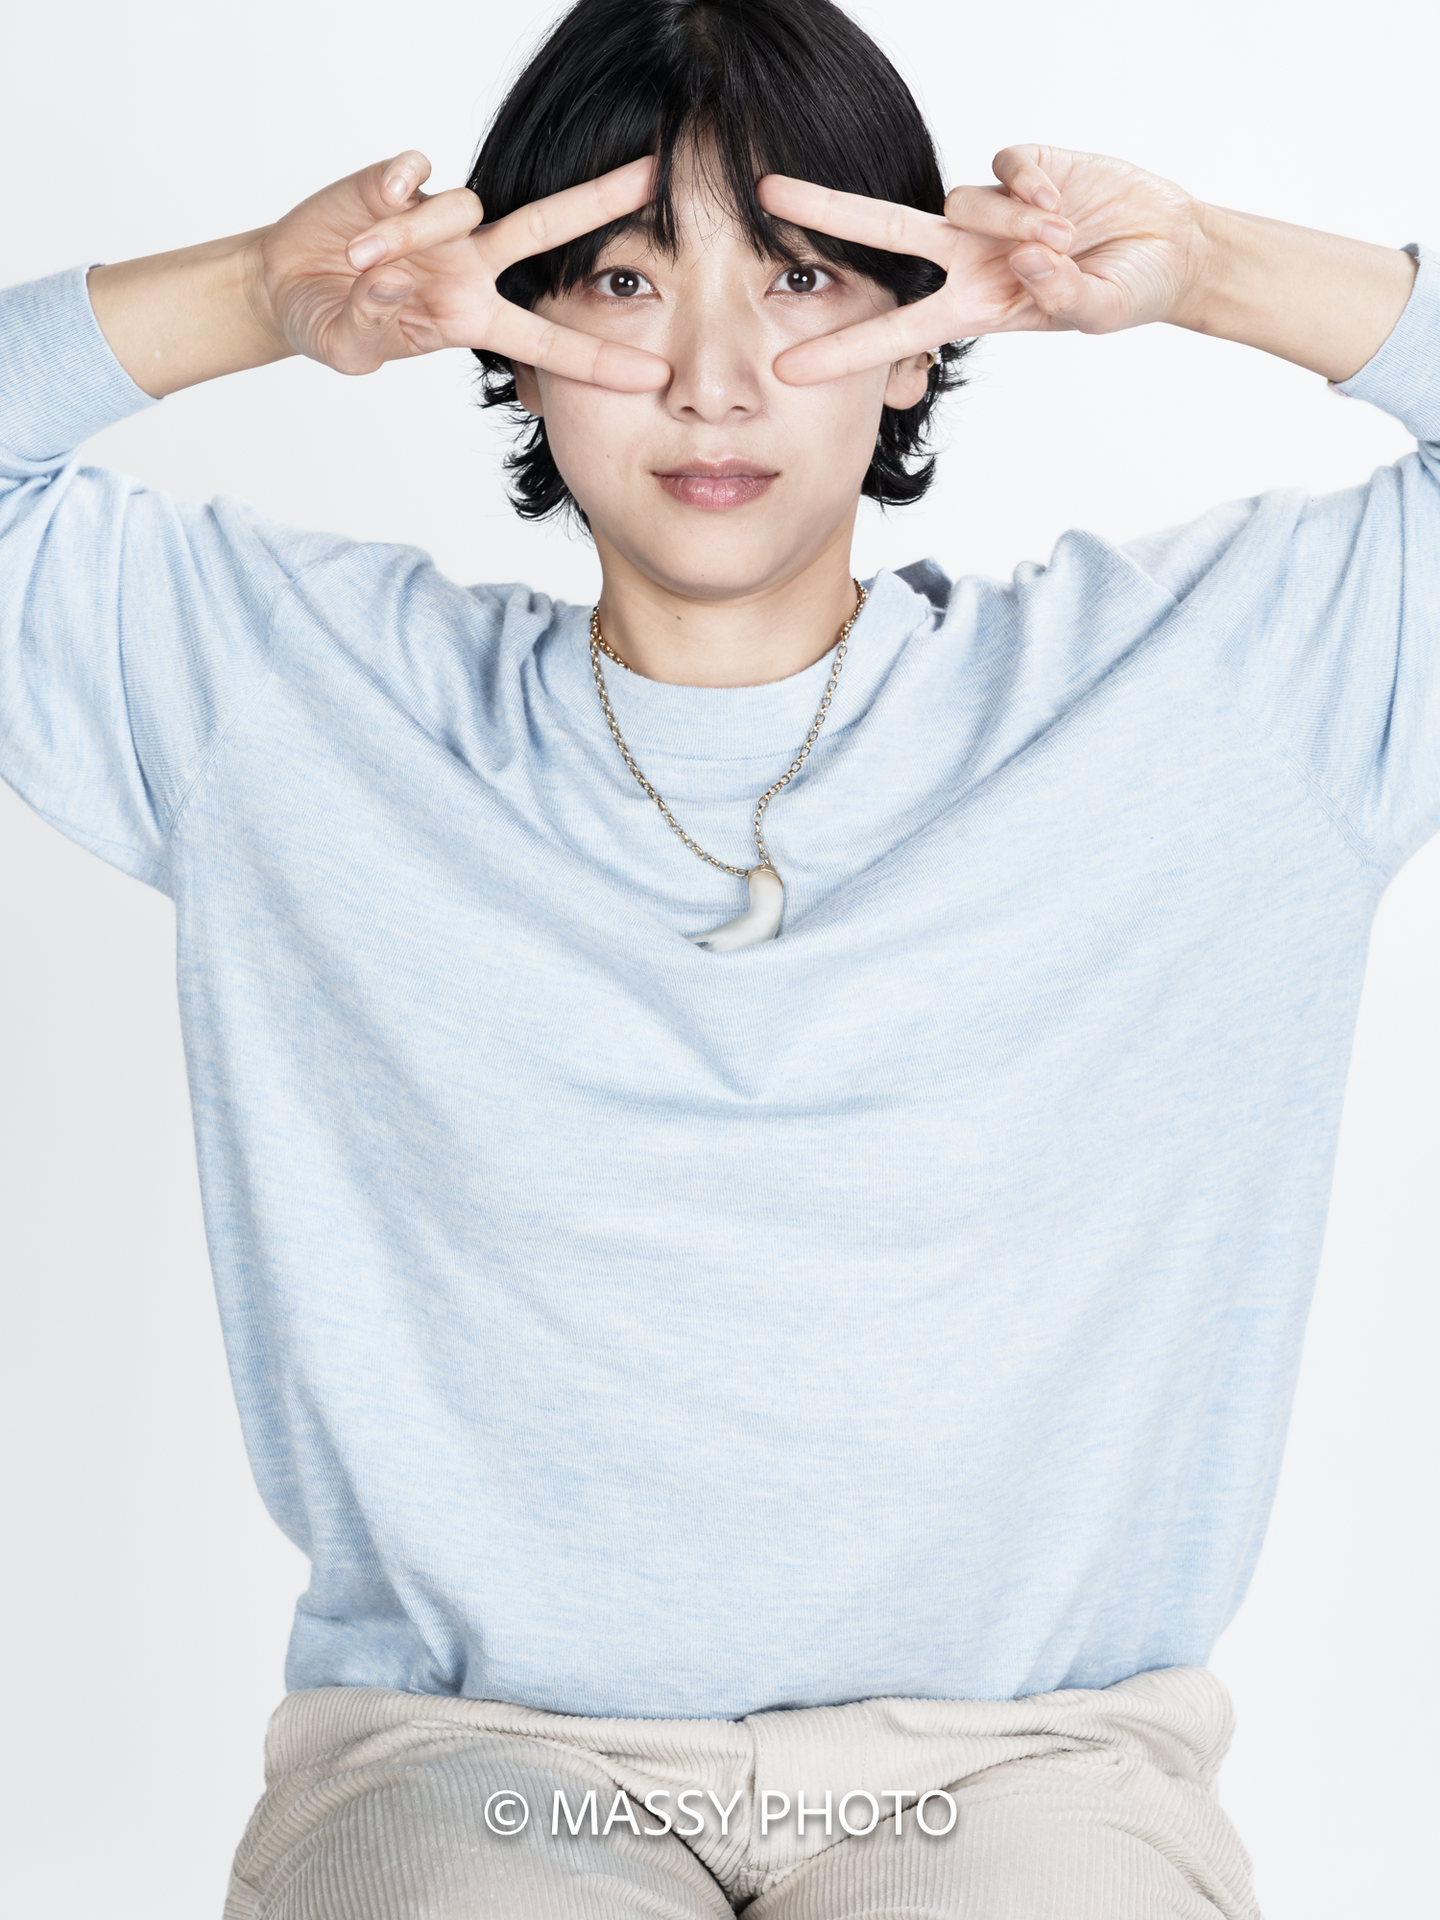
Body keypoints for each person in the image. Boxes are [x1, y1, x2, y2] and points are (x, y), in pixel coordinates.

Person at [1, 0, 1433, 1912]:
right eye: (619, 280)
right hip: (479, 1760)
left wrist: (1210, 268)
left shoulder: (1214, 690)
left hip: (1030, 1761)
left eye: (803, 278)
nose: (714, 378)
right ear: (504, 333)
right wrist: (262, 294)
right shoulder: (286, 692)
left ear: (922, 339)